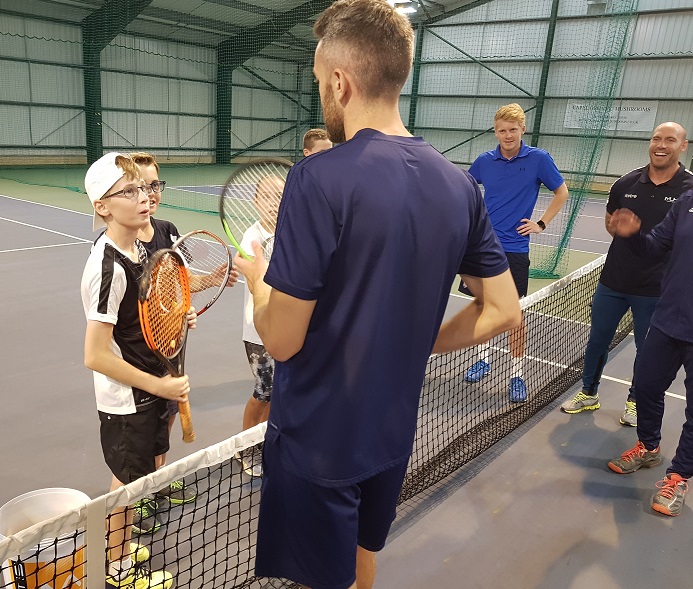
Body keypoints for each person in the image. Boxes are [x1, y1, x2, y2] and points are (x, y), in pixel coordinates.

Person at [233, 2, 521, 588]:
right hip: (391, 434)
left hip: (319, 441)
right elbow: (503, 310)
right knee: (364, 560)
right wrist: (418, 345)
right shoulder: (459, 184)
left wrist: (258, 282)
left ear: (339, 82)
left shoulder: (318, 179)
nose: (322, 94)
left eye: (319, 83)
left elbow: (283, 341)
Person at [81, 152, 196, 588]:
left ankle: (121, 544)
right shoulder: (108, 266)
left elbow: (142, 315)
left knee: (135, 481)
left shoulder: (142, 247)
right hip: (127, 398)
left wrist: (177, 317)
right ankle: (115, 569)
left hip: (150, 387)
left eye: (144, 188)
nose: (143, 196)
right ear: (102, 206)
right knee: (125, 489)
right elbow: (95, 354)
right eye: (127, 191)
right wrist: (159, 384)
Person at [561, 123, 692, 425]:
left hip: (657, 289)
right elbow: (611, 222)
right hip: (613, 282)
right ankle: (589, 392)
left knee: (647, 352)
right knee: (597, 341)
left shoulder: (689, 189)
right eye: (656, 138)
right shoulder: (627, 183)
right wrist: (620, 227)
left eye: (670, 140)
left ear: (682, 146)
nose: (661, 145)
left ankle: (634, 401)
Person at [462, 102, 569, 402]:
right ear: (495, 132)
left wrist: (541, 223)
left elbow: (562, 192)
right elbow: (467, 190)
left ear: (523, 129)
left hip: (515, 249)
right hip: (482, 247)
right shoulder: (484, 161)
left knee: (514, 316)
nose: (507, 136)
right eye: (501, 130)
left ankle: (516, 374)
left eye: (512, 130)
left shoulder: (538, 159)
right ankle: (483, 359)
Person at [605, 182, 693, 517]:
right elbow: (654, 246)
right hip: (668, 318)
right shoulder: (687, 201)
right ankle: (649, 446)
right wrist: (633, 235)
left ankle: (679, 476)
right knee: (645, 387)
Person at [236, 175, 285, 478]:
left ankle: (266, 439)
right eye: (266, 196)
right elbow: (259, 283)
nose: (273, 203)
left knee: (280, 393)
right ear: (255, 201)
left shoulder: (294, 231)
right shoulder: (250, 238)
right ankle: (244, 447)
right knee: (263, 392)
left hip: (289, 329)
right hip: (259, 333)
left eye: (279, 196)